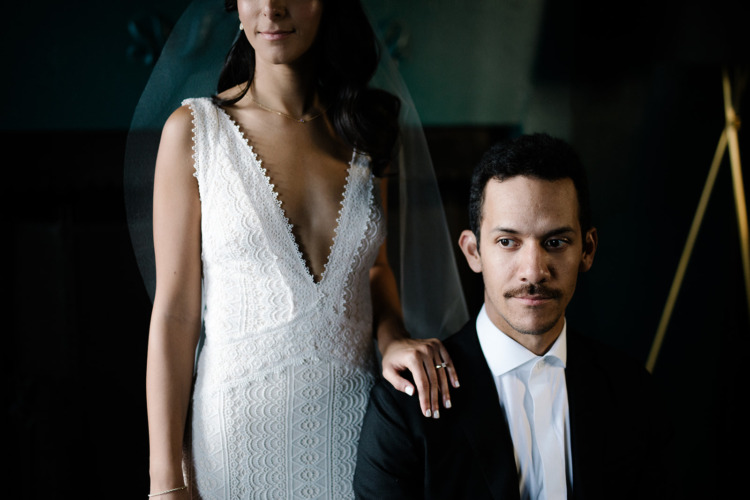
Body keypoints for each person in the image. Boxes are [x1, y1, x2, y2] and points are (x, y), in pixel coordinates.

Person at [143, 0, 466, 498]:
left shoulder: (368, 130)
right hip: (235, 442)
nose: (272, 8)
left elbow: (374, 269)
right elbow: (174, 313)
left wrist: (394, 336)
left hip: (357, 433)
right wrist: (165, 481)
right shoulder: (193, 134)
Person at [353, 133, 674, 499]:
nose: (533, 271)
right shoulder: (404, 407)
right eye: (508, 242)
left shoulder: (635, 394)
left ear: (587, 250)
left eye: (555, 242)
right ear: (473, 252)